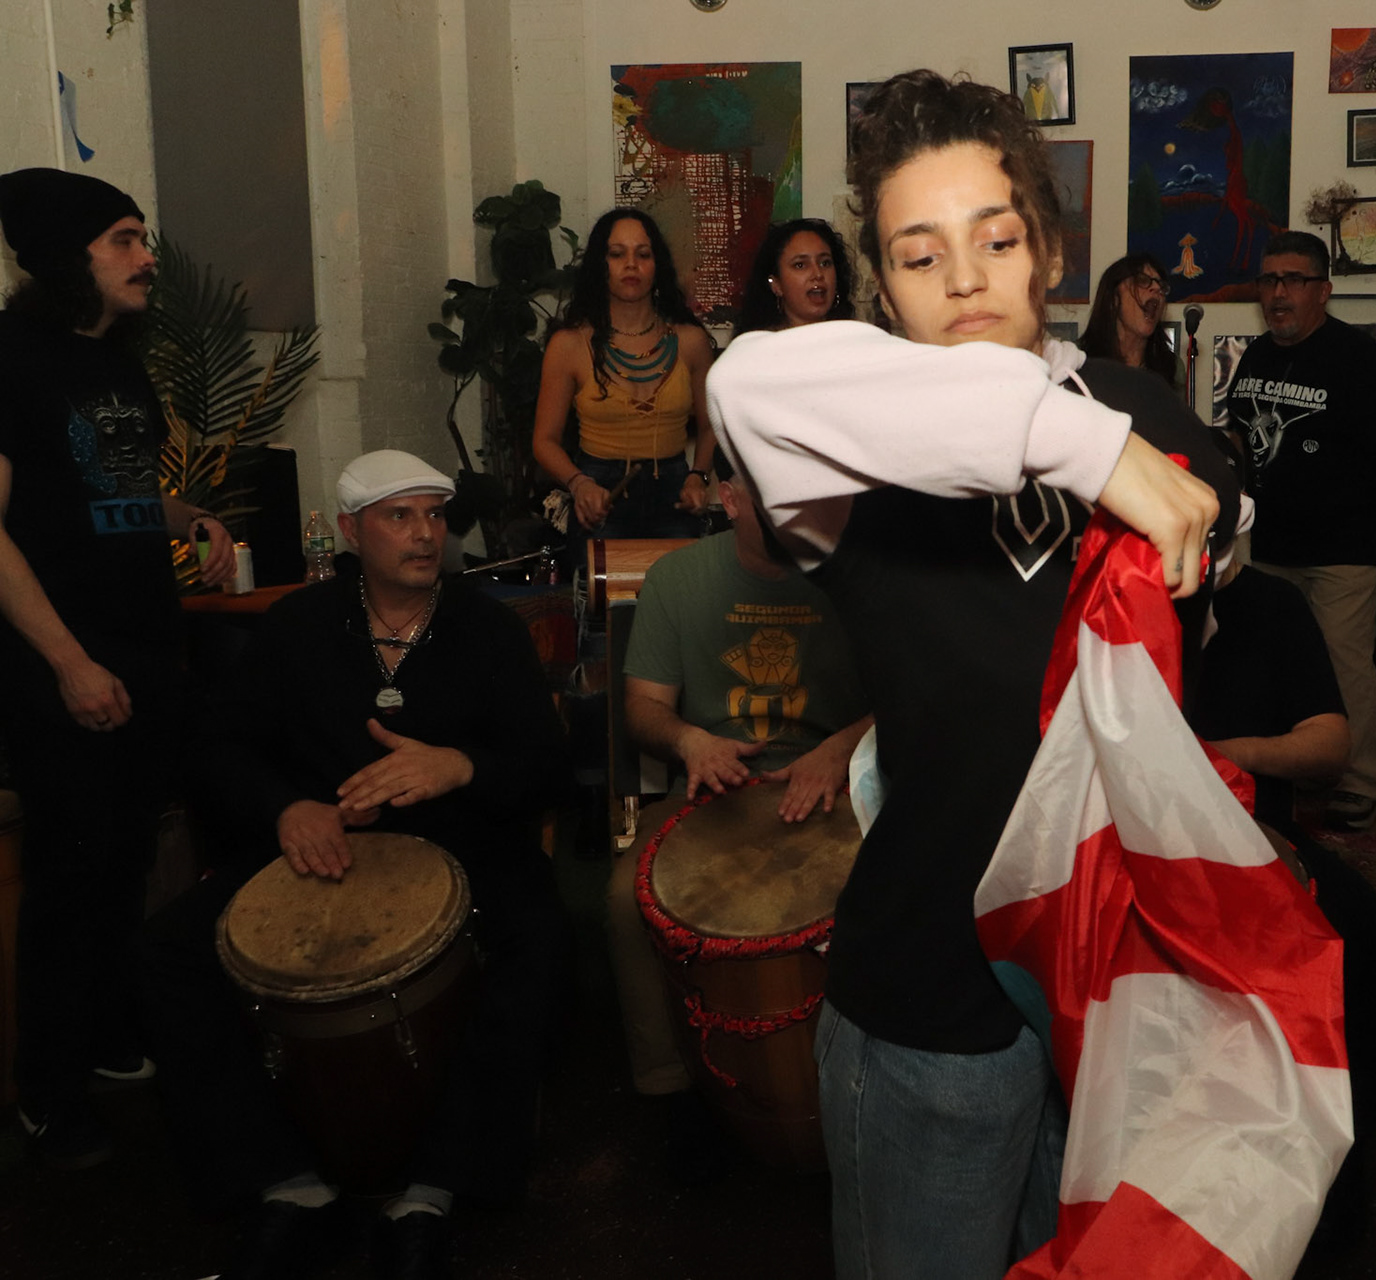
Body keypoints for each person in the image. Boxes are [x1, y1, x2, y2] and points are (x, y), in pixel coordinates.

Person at [706, 69, 1239, 1280]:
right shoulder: (845, 452)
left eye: (996, 239)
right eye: (918, 254)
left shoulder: (1143, 406)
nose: (962, 279)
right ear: (881, 285)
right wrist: (1078, 443)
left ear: (1048, 248)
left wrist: (1117, 438)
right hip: (930, 1002)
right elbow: (740, 386)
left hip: (1118, 991)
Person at [140, 452, 571, 1280]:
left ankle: (435, 1188)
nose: (424, 534)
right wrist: (286, 808)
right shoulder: (298, 626)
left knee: (538, 943)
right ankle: (282, 1180)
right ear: (349, 531)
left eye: (434, 515)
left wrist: (460, 767)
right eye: (399, 516)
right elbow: (219, 748)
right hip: (317, 850)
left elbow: (549, 768)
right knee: (167, 953)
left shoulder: (487, 630)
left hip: (464, 846)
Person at [0, 167, 236, 1169]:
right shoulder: (11, 358)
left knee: (126, 862)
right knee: (71, 877)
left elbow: (110, 493)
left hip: (145, 652)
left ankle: (104, 1036)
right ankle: (47, 1097)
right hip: (62, 665)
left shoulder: (118, 362)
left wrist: (190, 518)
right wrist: (69, 662)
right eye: (126, 240)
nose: (148, 259)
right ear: (72, 258)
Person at [604, 447, 870, 1095]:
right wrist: (689, 740)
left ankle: (862, 1068)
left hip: (836, 787)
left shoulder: (860, 576)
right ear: (730, 500)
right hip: (711, 792)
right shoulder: (679, 578)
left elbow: (910, 697)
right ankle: (668, 1079)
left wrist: (840, 749)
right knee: (622, 902)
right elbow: (642, 708)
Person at [1184, 546, 1376, 1248]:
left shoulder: (1271, 603)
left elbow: (1330, 745)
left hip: (1258, 831)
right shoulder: (1114, 596)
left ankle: (1338, 1177)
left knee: (1350, 915)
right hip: (1147, 840)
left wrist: (1223, 755)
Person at [1219, 228, 1376, 831]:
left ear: (1323, 290)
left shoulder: (1357, 357)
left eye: (1293, 280)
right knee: (1275, 661)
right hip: (1269, 544)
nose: (1278, 293)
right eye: (1269, 280)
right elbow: (1238, 440)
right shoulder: (1255, 356)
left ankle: (1362, 778)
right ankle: (1302, 762)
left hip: (1345, 549)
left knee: (1342, 661)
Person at [531, 208, 716, 542]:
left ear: (657, 265)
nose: (631, 265)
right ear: (600, 265)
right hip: (599, 494)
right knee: (602, 578)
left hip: (675, 492)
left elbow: (711, 425)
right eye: (617, 254)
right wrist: (579, 483)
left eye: (643, 254)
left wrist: (698, 476)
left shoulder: (691, 341)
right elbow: (544, 441)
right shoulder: (569, 344)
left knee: (679, 578)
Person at [735, 218, 857, 335]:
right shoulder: (760, 345)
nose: (818, 274)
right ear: (776, 284)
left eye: (825, 263)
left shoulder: (855, 339)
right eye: (800, 265)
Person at [1078, 252, 1175, 386]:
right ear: (1114, 299)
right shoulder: (1078, 359)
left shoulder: (1171, 367)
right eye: (1142, 280)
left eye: (1162, 286)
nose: (1157, 288)